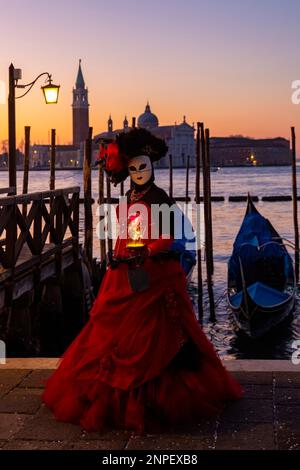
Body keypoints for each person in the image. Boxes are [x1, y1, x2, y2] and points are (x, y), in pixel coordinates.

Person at [42, 128, 242, 434]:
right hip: (124, 270)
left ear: (152, 166)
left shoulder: (159, 197)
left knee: (156, 333)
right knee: (112, 328)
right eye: (132, 168)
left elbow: (170, 236)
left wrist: (146, 252)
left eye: (143, 167)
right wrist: (121, 255)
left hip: (155, 272)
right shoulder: (129, 195)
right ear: (126, 169)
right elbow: (126, 231)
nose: (137, 173)